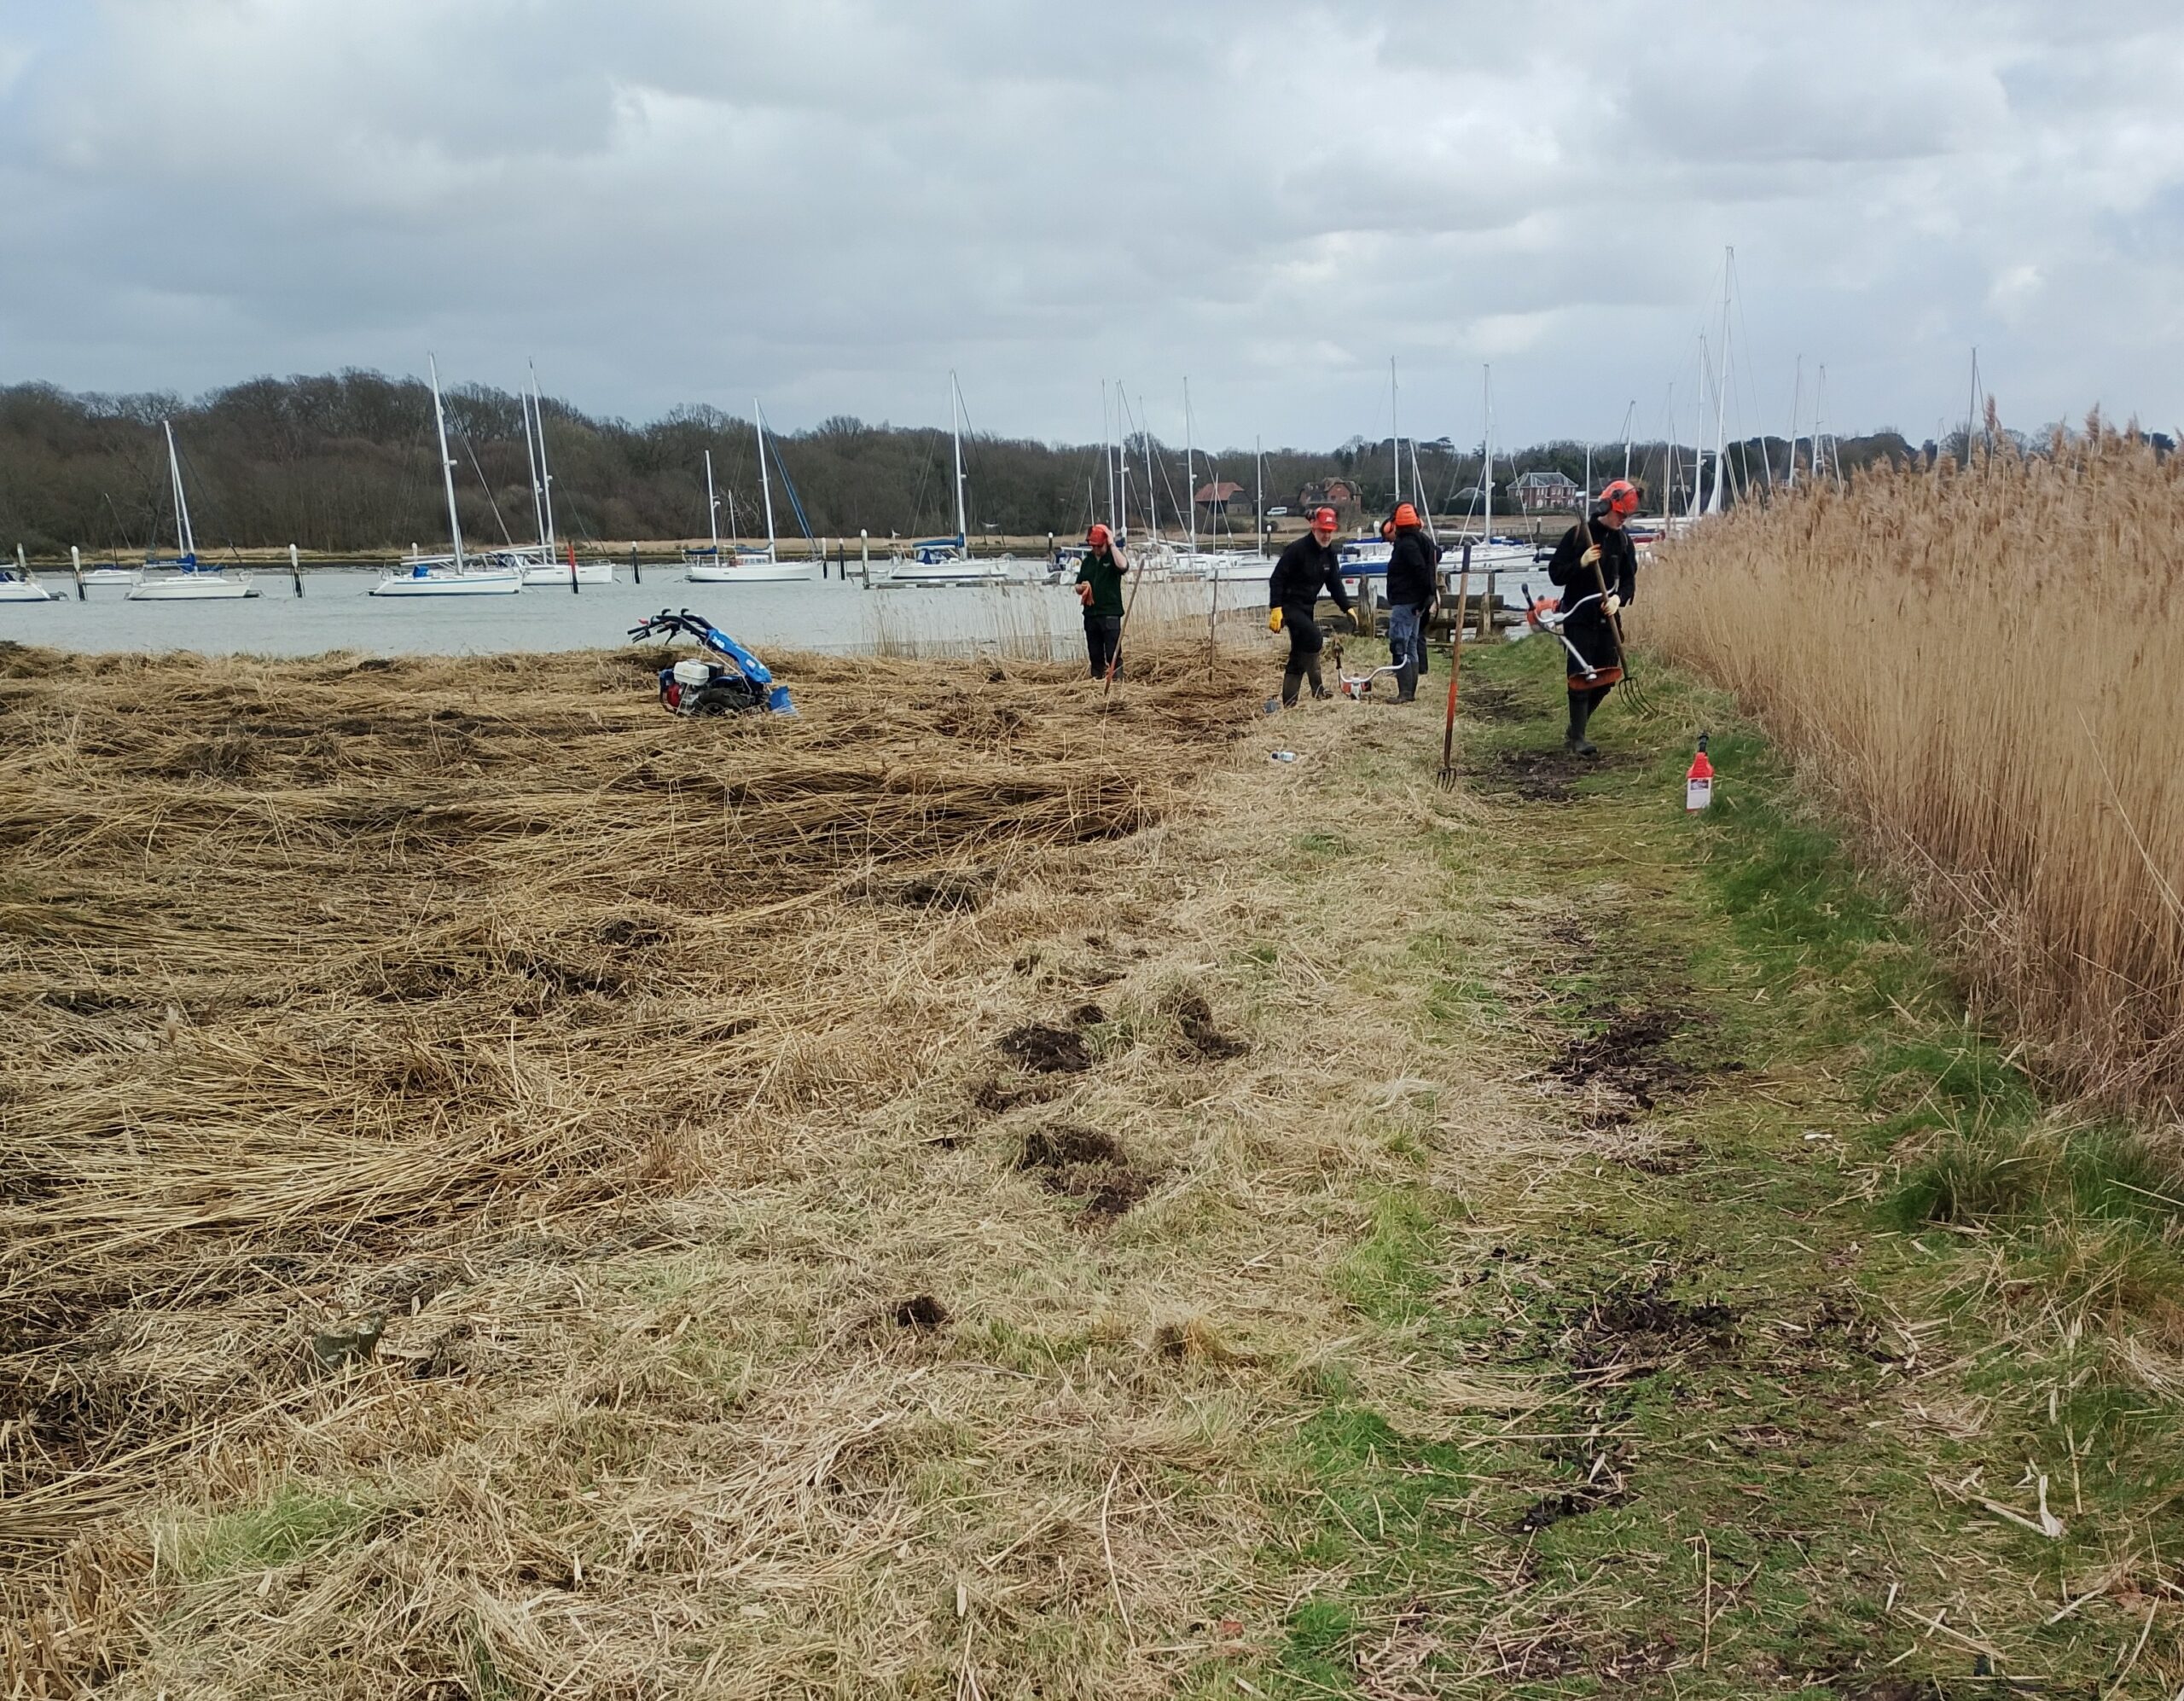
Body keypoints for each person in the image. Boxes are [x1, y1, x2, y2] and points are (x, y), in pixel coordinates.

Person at [1546, 478, 1641, 755]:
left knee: (1608, 676)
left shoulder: (1624, 542)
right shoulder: (1578, 535)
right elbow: (1556, 574)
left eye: (1626, 516)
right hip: (1578, 617)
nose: (1623, 520)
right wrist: (1581, 562)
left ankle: (1576, 728)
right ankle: (1578, 739)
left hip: (1607, 619)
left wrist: (1618, 598)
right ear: (1606, 507)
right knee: (1580, 675)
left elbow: (1629, 581)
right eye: (1620, 514)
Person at [1268, 506, 1355, 706]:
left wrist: (1347, 607)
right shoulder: (1297, 550)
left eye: (1330, 531)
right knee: (1315, 639)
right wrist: (1276, 608)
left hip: (1307, 607)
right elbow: (1277, 578)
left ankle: (1291, 702)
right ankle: (1317, 688)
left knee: (1299, 652)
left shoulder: (1329, 555)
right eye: (1323, 531)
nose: (1326, 535)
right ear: (1314, 528)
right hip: (1290, 605)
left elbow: (1334, 584)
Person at [1381, 502, 1440, 704]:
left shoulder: (1407, 545)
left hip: (1406, 601)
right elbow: (1431, 564)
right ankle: (1409, 692)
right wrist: (1427, 598)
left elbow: (1420, 571)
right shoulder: (1424, 541)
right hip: (1416, 602)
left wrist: (1426, 596)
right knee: (1412, 644)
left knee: (1400, 645)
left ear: (1396, 524)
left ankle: (1405, 693)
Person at [1075, 523, 1127, 681]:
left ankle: (1117, 682)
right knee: (1095, 655)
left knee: (1113, 653)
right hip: (1091, 614)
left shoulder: (1113, 558)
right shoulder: (1088, 561)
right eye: (1093, 546)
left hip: (1110, 613)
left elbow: (1123, 566)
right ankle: (1096, 682)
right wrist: (1082, 588)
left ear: (1105, 543)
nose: (1096, 549)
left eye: (1099, 546)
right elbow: (1077, 585)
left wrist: (1112, 544)